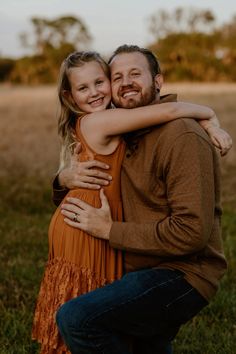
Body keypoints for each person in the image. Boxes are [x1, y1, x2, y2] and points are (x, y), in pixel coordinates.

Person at [32, 51, 229, 354]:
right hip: (131, 257)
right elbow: (91, 182)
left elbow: (191, 233)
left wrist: (208, 119)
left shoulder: (181, 135)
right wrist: (62, 179)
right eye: (117, 77)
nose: (124, 84)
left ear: (158, 81)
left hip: (179, 271)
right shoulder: (124, 127)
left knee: (78, 318)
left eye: (135, 74)